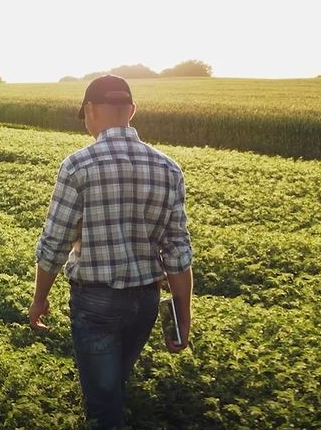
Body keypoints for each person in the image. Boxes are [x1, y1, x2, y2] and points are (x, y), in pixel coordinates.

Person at [28, 75, 194, 429]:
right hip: (145, 303)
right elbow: (178, 248)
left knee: (103, 406)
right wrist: (182, 315)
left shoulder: (78, 165)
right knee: (115, 384)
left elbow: (55, 242)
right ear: (131, 110)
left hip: (96, 304)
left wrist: (39, 298)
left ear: (90, 110)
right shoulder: (168, 168)